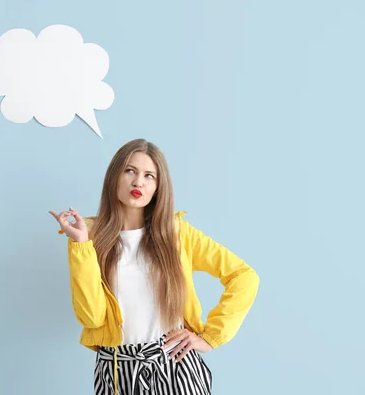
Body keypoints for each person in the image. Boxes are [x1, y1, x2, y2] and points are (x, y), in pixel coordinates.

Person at [49, 139, 259, 395]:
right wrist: (81, 244)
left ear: (159, 187)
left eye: (149, 176)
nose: (139, 182)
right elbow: (91, 317)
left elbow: (243, 276)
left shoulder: (177, 234)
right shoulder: (90, 237)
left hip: (175, 365)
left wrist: (210, 338)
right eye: (130, 171)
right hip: (116, 371)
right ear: (114, 176)